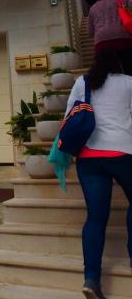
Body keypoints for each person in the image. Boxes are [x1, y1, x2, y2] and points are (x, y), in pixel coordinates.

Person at [65, 51, 132, 299]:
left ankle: (91, 279)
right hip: (123, 153)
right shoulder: (128, 83)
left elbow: (69, 117)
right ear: (119, 64)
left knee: (95, 218)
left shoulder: (82, 82)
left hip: (89, 157)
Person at [88, 0, 132, 74]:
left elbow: (90, 31)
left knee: (107, 72)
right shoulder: (123, 0)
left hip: (102, 43)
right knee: (129, 68)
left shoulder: (93, 8)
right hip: (124, 39)